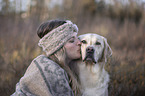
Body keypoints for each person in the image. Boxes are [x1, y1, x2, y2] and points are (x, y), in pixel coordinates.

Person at [11, 20, 81, 96]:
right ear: (59, 48)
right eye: (72, 41)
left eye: (78, 38)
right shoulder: (49, 70)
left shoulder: (73, 67)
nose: (79, 43)